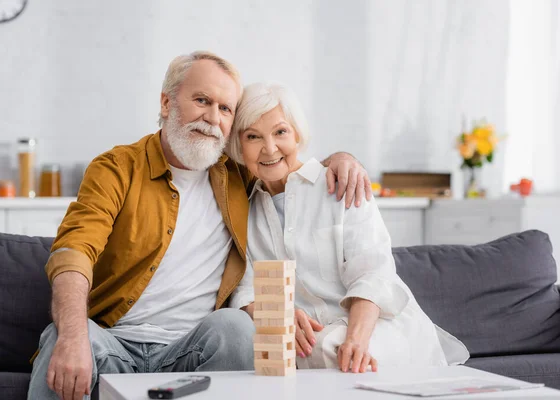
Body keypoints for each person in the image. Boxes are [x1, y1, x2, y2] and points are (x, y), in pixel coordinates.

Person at [27, 51, 372, 400]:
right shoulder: (116, 168)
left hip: (192, 352)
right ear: (166, 103)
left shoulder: (236, 173)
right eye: (202, 101)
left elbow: (284, 160)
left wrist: (342, 161)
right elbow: (74, 250)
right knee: (62, 335)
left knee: (236, 327)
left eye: (225, 109)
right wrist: (73, 338)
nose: (212, 119)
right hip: (115, 342)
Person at [228, 82, 470, 373]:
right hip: (309, 339)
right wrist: (276, 314)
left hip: (373, 325)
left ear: (297, 134)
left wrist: (355, 341)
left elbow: (374, 272)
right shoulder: (244, 212)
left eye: (281, 132)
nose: (269, 148)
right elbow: (244, 290)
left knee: (326, 351)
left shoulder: (340, 184)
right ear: (239, 147)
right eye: (253, 136)